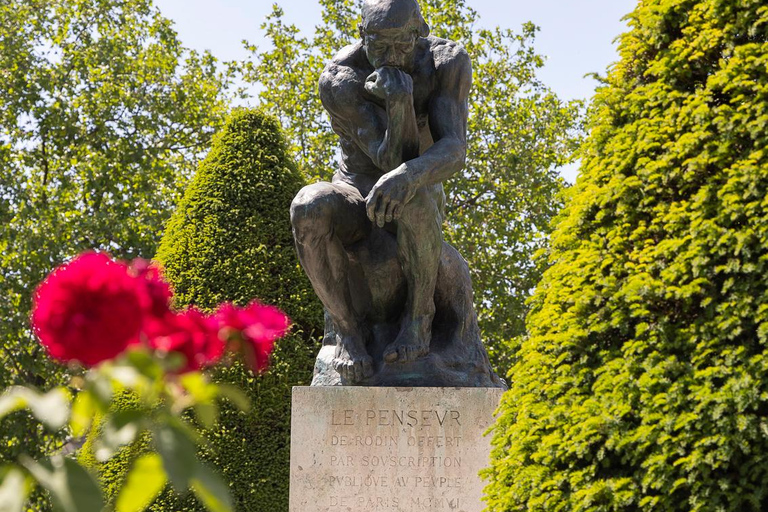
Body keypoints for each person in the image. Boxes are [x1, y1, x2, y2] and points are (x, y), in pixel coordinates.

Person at [290, 0, 471, 383]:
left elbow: (454, 148)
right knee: (307, 206)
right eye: (379, 46)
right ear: (362, 35)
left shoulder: (446, 60)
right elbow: (384, 158)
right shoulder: (341, 77)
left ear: (419, 33)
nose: (389, 58)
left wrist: (411, 170)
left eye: (400, 47)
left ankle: (419, 320)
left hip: (418, 188)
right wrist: (399, 101)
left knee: (413, 195)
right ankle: (348, 333)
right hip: (355, 193)